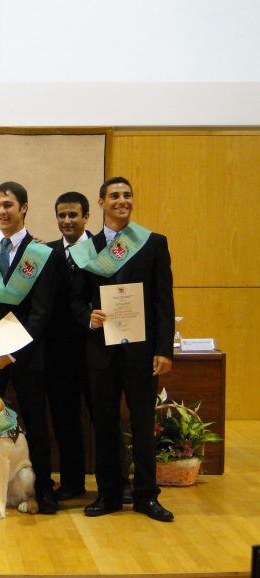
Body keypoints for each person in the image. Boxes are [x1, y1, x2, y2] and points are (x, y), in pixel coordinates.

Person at [70, 176, 175, 522]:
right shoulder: (87, 249)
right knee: (105, 424)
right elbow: (75, 300)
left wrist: (164, 349)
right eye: (114, 195)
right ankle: (110, 495)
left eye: (127, 195)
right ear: (100, 203)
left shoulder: (152, 243)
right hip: (100, 351)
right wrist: (89, 315)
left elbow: (163, 302)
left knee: (143, 424)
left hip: (142, 352)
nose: (122, 200)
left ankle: (146, 496)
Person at [0, 181, 59, 515]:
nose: (2, 211)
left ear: (24, 208)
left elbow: (42, 312)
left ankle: (44, 490)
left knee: (35, 421)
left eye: (9, 205)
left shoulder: (43, 254)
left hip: (27, 355)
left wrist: (13, 353)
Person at [44, 191, 92, 501]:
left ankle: (116, 484)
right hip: (58, 353)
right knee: (65, 420)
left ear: (87, 216)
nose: (67, 220)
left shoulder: (102, 250)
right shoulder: (46, 253)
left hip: (96, 350)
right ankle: (73, 483)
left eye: (73, 215)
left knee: (104, 418)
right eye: (62, 215)